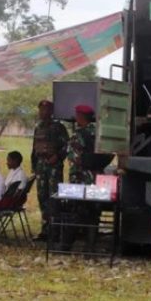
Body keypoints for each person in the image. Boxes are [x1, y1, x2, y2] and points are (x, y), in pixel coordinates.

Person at [60, 104, 100, 250]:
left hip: (80, 178)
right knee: (94, 212)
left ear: (80, 117)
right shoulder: (99, 133)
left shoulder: (79, 135)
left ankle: (66, 245)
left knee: (75, 210)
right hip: (97, 178)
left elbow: (73, 159)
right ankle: (90, 246)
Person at [31, 99, 69, 240]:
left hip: (54, 167)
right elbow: (34, 148)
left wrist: (58, 157)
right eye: (41, 109)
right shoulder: (38, 127)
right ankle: (45, 230)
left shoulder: (59, 127)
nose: (43, 112)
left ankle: (55, 232)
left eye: (46, 110)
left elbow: (67, 146)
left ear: (52, 112)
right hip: (41, 167)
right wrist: (34, 166)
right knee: (42, 198)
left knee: (54, 198)